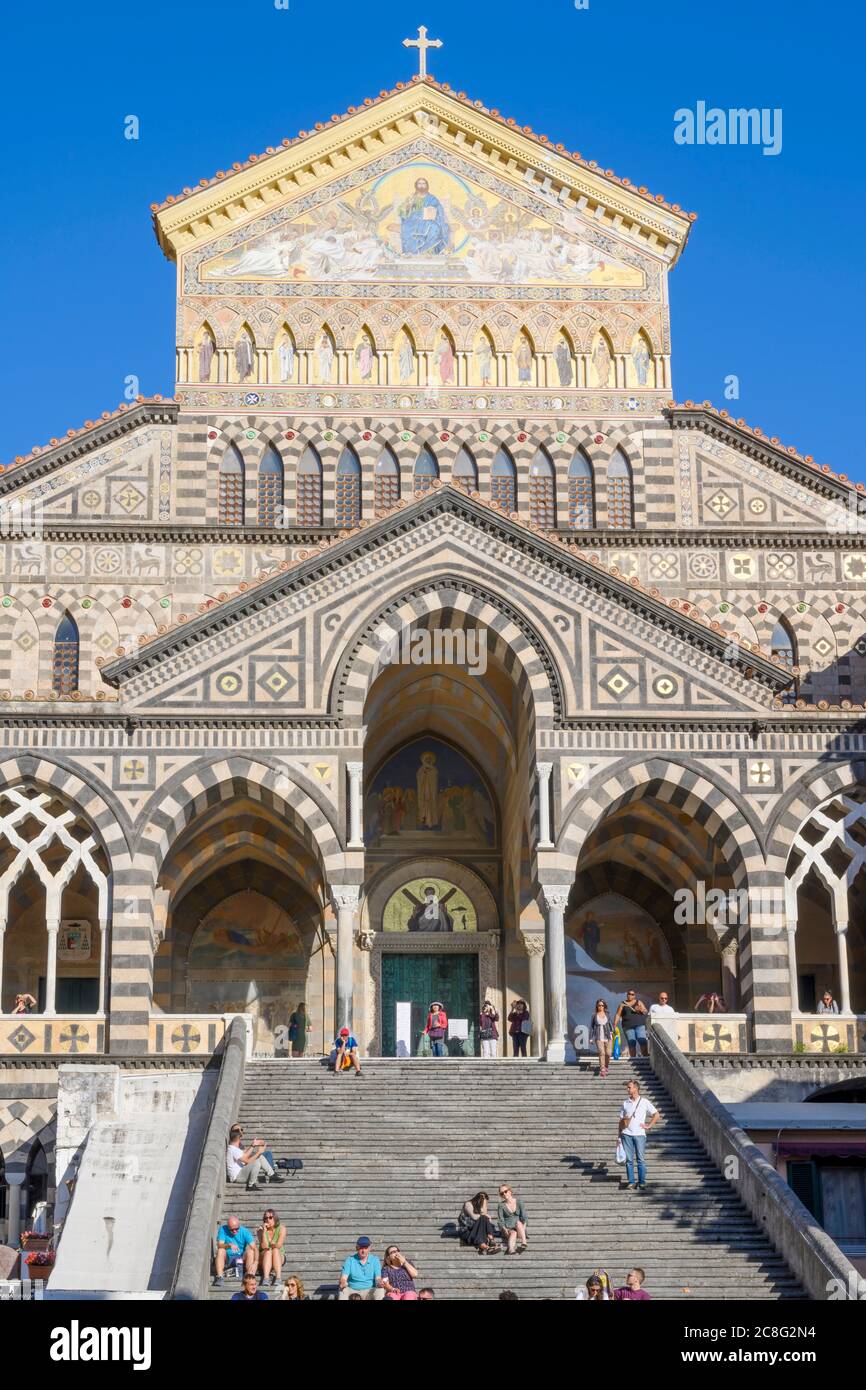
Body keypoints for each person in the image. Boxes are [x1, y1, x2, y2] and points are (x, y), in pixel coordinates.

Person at [619, 1079, 659, 1192]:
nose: (627, 1089)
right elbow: (621, 1121)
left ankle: (642, 1182)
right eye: (627, 1087)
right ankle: (631, 1182)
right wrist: (618, 1136)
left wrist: (649, 1126)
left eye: (629, 1087)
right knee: (629, 1160)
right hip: (626, 1134)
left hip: (640, 1134)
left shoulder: (644, 1102)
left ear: (636, 1088)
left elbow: (656, 1114)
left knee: (640, 1159)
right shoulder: (625, 1103)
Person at [213, 1215, 257, 1286]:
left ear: (239, 1225)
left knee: (250, 1251)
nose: (234, 1231)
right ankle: (220, 1277)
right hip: (228, 1258)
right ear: (228, 1226)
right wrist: (229, 1245)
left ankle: (249, 1277)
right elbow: (219, 1245)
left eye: (236, 1229)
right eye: (232, 1229)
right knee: (221, 1250)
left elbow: (255, 1248)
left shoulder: (244, 1231)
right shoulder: (223, 1229)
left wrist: (256, 1262)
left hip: (240, 1258)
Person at [614, 989, 649, 1059]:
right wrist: (614, 1025)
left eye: (632, 994)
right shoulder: (622, 1004)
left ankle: (645, 1058)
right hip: (628, 1026)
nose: (630, 995)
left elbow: (646, 1011)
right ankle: (633, 1059)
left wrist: (640, 1009)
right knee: (631, 1042)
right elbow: (618, 1015)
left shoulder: (638, 1002)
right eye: (629, 994)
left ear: (634, 996)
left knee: (642, 1040)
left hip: (639, 1025)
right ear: (627, 995)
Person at [256, 1208, 285, 1287]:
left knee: (275, 1250)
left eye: (270, 1217)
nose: (267, 1220)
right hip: (264, 1256)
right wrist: (264, 1232)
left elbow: (278, 1245)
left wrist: (273, 1245)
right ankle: (266, 1278)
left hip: (278, 1255)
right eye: (265, 1218)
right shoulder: (260, 1230)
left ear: (275, 1218)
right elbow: (264, 1246)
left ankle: (278, 1278)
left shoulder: (282, 1229)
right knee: (268, 1251)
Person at [496, 1185, 528, 1254]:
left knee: (518, 1223)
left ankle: (524, 1242)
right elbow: (500, 1220)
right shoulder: (501, 1205)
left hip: (520, 1229)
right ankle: (511, 1250)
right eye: (502, 1193)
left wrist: (523, 1229)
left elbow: (524, 1218)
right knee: (513, 1232)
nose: (504, 1194)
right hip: (508, 1229)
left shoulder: (519, 1202)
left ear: (510, 1191)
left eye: (505, 1191)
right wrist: (505, 1230)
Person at [589, 999, 615, 1077]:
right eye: (599, 1005)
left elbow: (610, 1024)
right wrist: (590, 1038)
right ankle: (602, 1068)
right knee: (601, 1052)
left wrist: (612, 1032)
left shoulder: (607, 1014)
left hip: (608, 1036)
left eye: (602, 1005)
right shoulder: (594, 1015)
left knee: (608, 1053)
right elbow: (592, 1027)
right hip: (598, 1036)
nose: (601, 1006)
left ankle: (606, 1065)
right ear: (597, 1006)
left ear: (604, 1006)